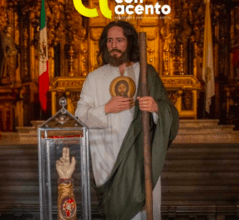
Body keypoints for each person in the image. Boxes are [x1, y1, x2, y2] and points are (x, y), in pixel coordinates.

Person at [75, 21, 179, 220]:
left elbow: (170, 113)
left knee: (143, 211)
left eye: (119, 40)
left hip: (141, 159)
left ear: (129, 43)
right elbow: (79, 116)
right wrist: (106, 108)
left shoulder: (146, 73)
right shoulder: (94, 78)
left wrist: (156, 108)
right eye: (110, 40)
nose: (113, 45)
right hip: (109, 162)